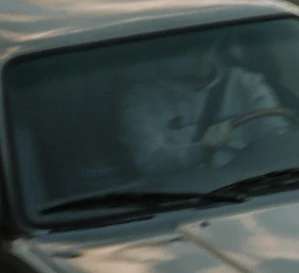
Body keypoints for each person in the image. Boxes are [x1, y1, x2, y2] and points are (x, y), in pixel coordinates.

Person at [120, 37, 285, 180]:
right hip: (180, 198)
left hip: (253, 185)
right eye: (187, 50)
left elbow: (275, 137)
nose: (201, 56)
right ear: (164, 54)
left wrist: (295, 134)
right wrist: (199, 150)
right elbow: (149, 161)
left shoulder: (247, 85)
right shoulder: (142, 100)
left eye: (206, 46)